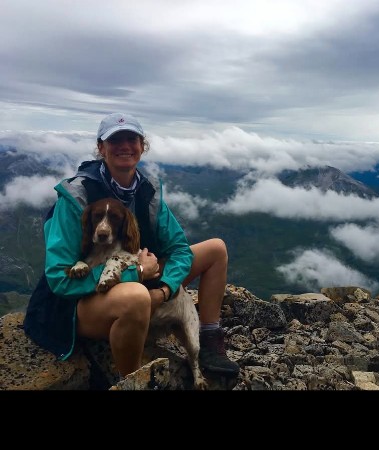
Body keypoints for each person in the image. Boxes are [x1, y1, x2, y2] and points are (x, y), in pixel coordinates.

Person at [24, 112, 240, 380]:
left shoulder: (147, 192)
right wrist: (136, 273)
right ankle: (133, 380)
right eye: (115, 140)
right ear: (101, 148)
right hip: (76, 303)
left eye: (132, 139)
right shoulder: (76, 197)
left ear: (142, 146)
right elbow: (59, 278)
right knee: (136, 297)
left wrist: (164, 289)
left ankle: (209, 339)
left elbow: (180, 250)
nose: (125, 146)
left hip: (142, 280)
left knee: (216, 250)